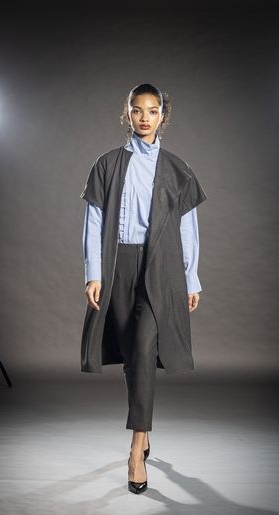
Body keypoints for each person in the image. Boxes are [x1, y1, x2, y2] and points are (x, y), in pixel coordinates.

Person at [81, 83, 207, 494]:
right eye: (138, 110)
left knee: (143, 347)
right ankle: (144, 427)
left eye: (153, 111)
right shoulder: (107, 164)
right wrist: (94, 273)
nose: (145, 118)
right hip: (119, 265)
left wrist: (191, 277)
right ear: (128, 113)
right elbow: (94, 222)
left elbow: (188, 228)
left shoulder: (176, 168)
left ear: (162, 116)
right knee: (131, 355)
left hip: (160, 268)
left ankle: (136, 449)